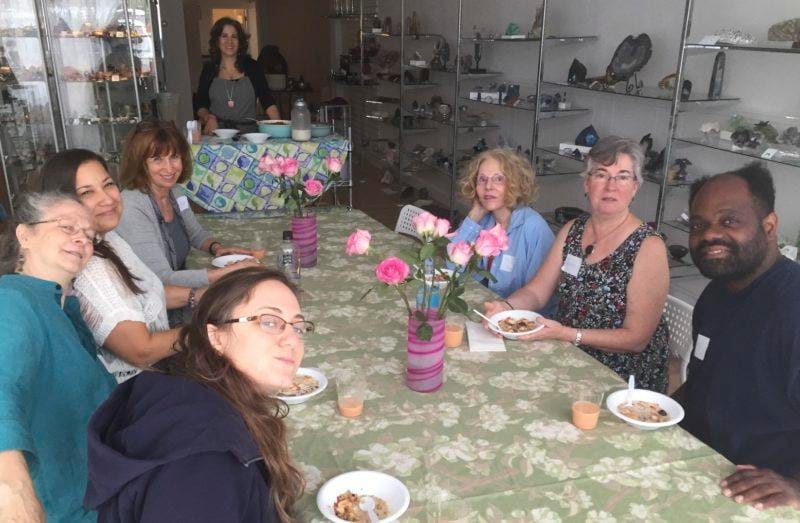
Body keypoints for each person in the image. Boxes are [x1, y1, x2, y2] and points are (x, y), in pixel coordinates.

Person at [85, 267, 309, 521]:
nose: (292, 340)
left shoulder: (183, 384)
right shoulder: (207, 464)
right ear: (216, 337)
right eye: (269, 322)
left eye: (298, 328)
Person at [484, 137, 670, 392]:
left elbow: (636, 339)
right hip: (568, 354)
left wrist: (569, 334)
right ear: (587, 183)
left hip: (621, 377)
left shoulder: (648, 246)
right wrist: (506, 307)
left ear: (635, 187)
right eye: (601, 175)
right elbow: (537, 291)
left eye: (623, 177)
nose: (611, 186)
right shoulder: (573, 229)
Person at [674, 163, 800, 510]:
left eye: (729, 221)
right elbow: (702, 381)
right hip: (697, 463)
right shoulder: (716, 294)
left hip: (757, 494)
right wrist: (656, 412)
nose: (709, 235)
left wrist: (796, 489)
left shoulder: (792, 308)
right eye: (698, 225)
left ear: (769, 226)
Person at [41, 149, 207, 381]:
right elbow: (141, 351)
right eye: (87, 192)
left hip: (161, 369)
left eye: (108, 185)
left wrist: (201, 296)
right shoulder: (89, 266)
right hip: (137, 388)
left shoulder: (107, 238)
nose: (107, 199)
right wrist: (209, 333)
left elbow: (145, 293)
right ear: (62, 204)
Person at [0, 192, 116, 521]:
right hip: (65, 509)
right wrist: (11, 490)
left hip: (103, 489)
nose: (82, 239)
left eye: (90, 235)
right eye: (67, 227)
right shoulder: (12, 300)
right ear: (25, 235)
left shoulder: (63, 308)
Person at [116, 119, 260, 297]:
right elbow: (161, 278)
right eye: (157, 159)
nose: (169, 168)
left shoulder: (174, 191)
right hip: (155, 303)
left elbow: (195, 233)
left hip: (179, 294)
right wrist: (225, 273)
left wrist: (216, 248)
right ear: (139, 163)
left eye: (174, 157)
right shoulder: (132, 207)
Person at [450, 148, 554, 305]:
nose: (488, 186)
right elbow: (452, 269)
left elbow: (538, 296)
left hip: (519, 315)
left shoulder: (533, 227)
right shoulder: (483, 221)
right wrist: (474, 215)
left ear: (514, 184)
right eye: (482, 179)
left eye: (498, 179)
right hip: (486, 306)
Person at [196, 17, 279, 135]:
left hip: (249, 137)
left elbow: (268, 102)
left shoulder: (253, 67)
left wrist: (280, 129)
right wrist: (208, 117)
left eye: (234, 37)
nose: (229, 41)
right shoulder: (209, 69)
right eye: (224, 36)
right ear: (217, 41)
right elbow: (200, 104)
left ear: (240, 42)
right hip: (217, 136)